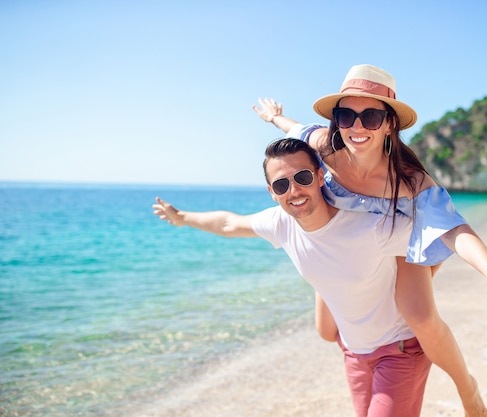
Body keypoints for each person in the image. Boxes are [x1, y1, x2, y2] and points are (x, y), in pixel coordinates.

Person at [252, 64, 487, 417]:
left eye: (370, 116)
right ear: (336, 120)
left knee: (417, 314)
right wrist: (275, 118)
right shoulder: (323, 147)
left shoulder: (410, 181)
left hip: (401, 234)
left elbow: (454, 228)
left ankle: (468, 390)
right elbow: (297, 129)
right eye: (346, 115)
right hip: (351, 244)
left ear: (389, 124)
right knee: (326, 331)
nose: (356, 126)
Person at [153, 138, 434, 417]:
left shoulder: (370, 227)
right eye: (281, 184)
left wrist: (415, 293)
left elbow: (436, 240)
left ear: (320, 176)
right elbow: (228, 223)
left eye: (302, 177)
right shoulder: (281, 223)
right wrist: (181, 218)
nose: (294, 190)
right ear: (272, 192)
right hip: (354, 353)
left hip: (400, 350)